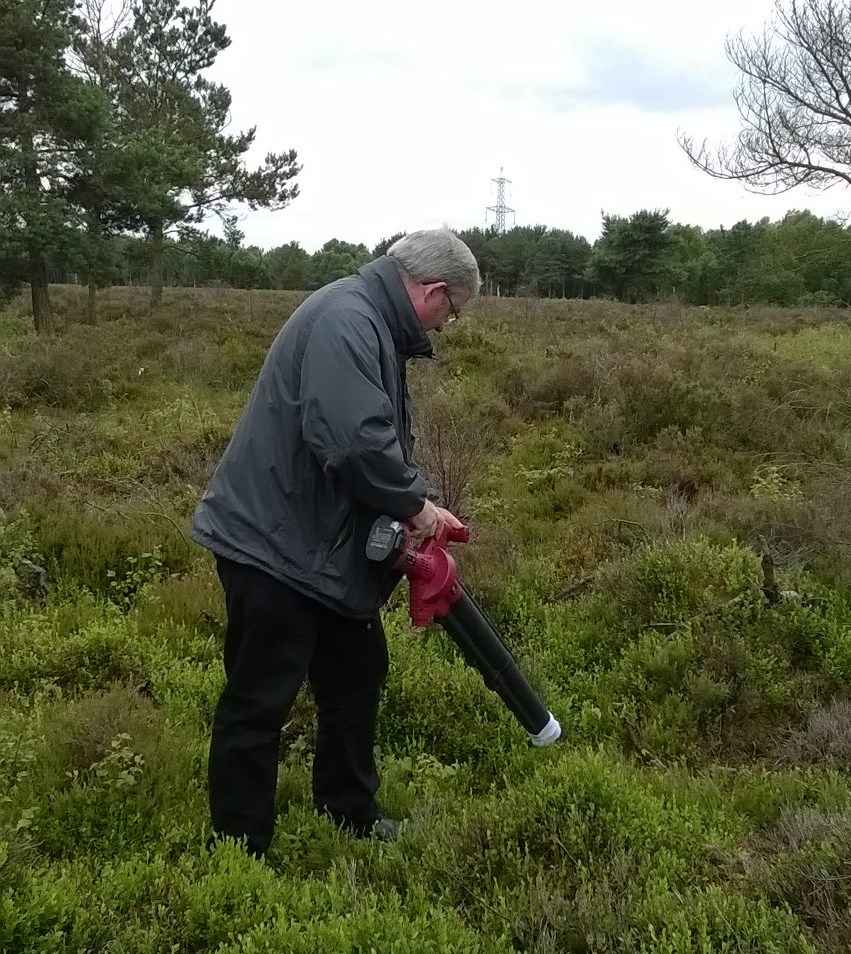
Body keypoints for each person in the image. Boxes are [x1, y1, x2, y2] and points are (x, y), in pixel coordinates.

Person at [190, 229, 480, 856]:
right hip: (273, 545)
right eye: (451, 312)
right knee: (259, 697)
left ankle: (348, 809)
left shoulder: (366, 317)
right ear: (432, 291)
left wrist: (408, 503)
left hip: (319, 545)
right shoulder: (348, 318)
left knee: (356, 673)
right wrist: (415, 505)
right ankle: (241, 848)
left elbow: (364, 440)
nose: (445, 326)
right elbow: (354, 443)